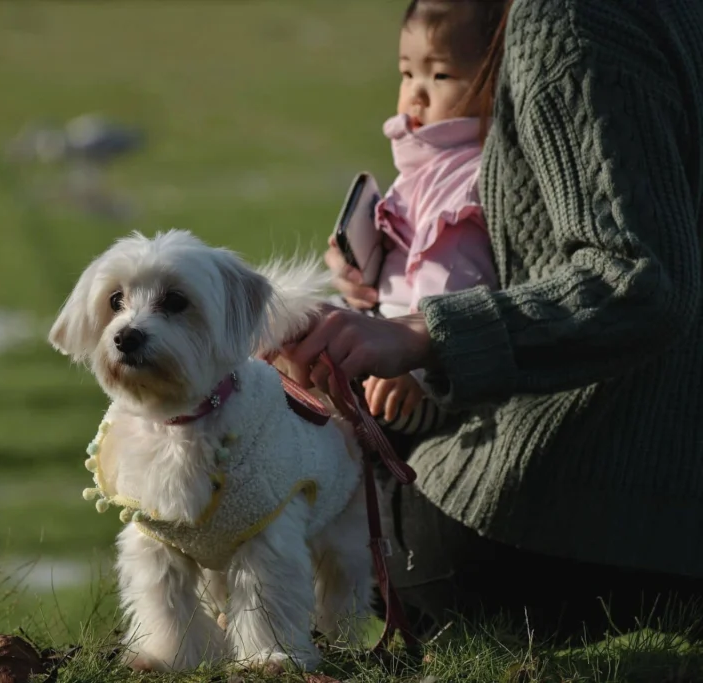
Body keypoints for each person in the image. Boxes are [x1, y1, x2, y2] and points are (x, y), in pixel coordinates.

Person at [286, 0, 703, 639]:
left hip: (579, 509)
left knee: (309, 466)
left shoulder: (566, 18)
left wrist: (417, 334)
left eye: (442, 76)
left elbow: (640, 281)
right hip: (655, 499)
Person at [334, 0, 505, 437]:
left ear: (495, 80)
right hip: (386, 336)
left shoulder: (463, 175)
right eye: (407, 72)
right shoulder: (433, 160)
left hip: (411, 383)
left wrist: (418, 369)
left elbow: (452, 273)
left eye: (440, 74)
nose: (416, 92)